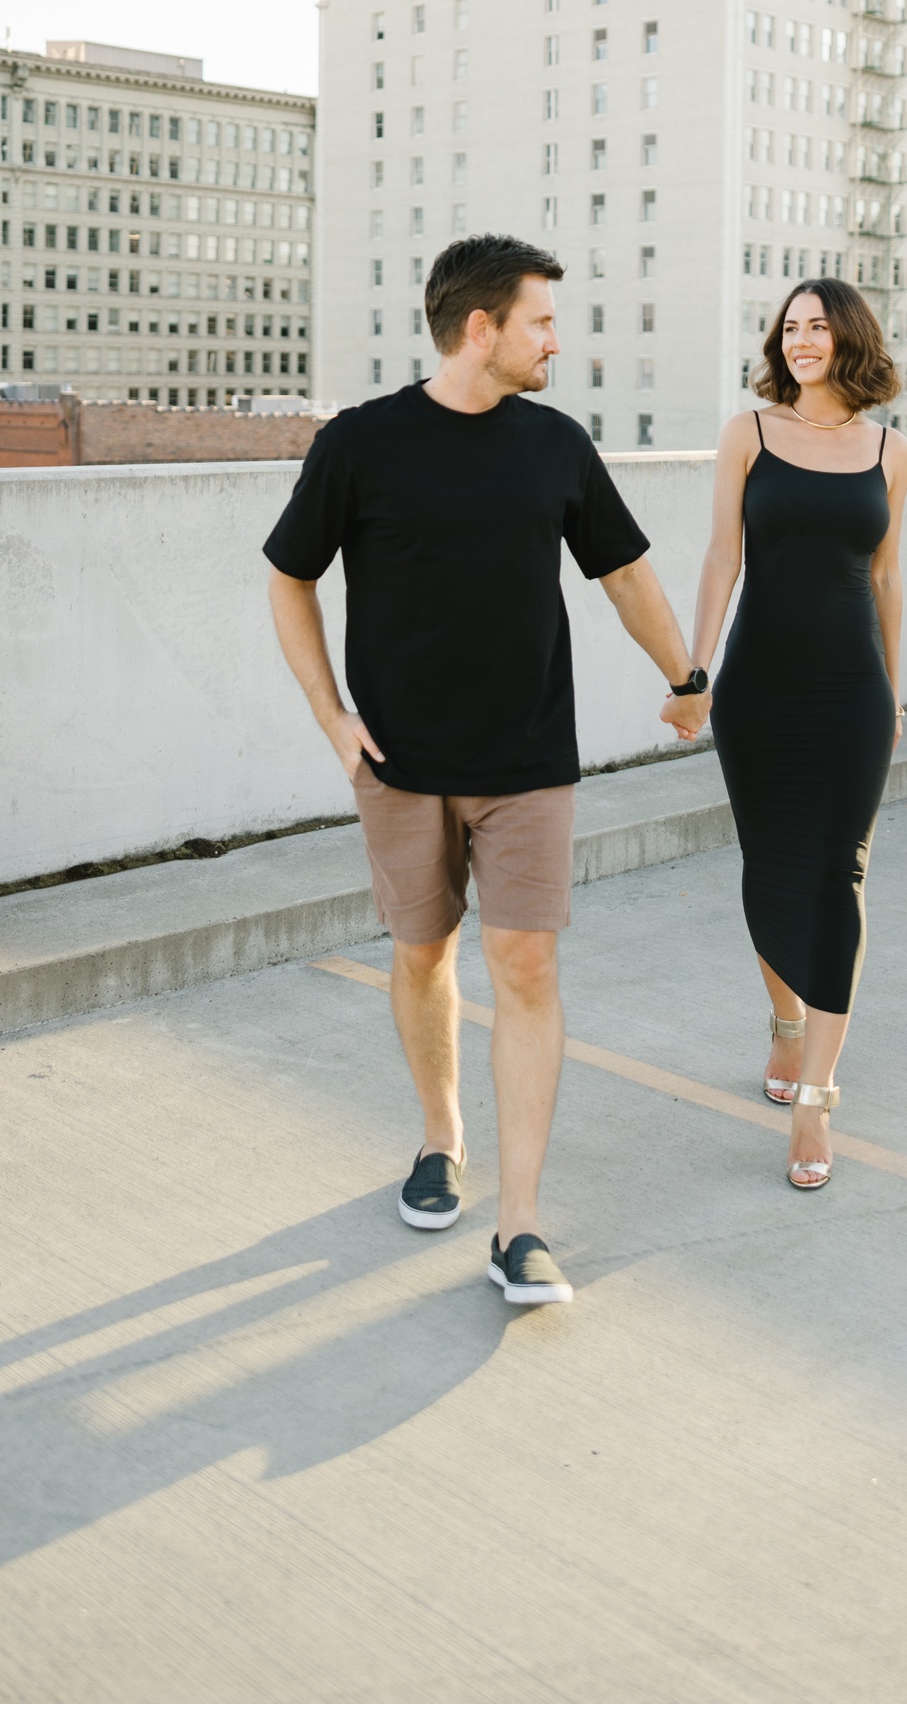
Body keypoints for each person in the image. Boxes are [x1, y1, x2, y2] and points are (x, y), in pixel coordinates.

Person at [265, 234, 708, 1304]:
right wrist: (331, 716)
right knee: (421, 957)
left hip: (525, 760)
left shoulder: (554, 445)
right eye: (541, 321)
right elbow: (288, 577)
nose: (556, 339)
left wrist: (686, 674)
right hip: (402, 764)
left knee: (526, 967)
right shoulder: (360, 443)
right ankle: (438, 1138)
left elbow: (626, 573)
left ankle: (519, 1225)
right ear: (482, 328)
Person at [666, 280, 907, 1191]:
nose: (800, 339)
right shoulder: (750, 434)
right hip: (758, 688)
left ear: (850, 339)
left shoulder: (890, 450)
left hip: (852, 691)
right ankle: (785, 1020)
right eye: (790, 327)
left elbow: (886, 576)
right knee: (769, 865)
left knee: (837, 871)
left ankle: (816, 1094)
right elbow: (722, 556)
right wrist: (695, 672)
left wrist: (894, 687)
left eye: (818, 326)